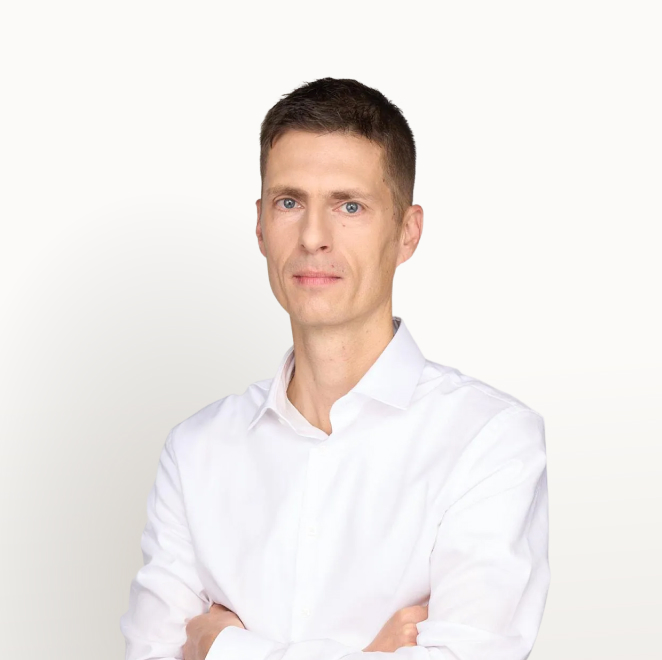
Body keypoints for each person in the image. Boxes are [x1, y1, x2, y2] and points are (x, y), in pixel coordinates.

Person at [119, 77, 549, 660]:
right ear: (260, 225)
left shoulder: (489, 441)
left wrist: (223, 647)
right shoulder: (195, 451)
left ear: (407, 233)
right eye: (289, 202)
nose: (313, 237)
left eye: (350, 206)